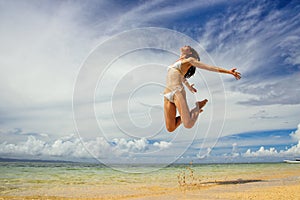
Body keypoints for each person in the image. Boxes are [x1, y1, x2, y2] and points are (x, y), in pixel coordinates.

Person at [164, 45, 241, 132]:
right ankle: (189, 114)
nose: (186, 45)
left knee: (188, 124)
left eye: (188, 47)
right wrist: (189, 87)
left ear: (190, 53)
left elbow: (209, 67)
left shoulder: (190, 60)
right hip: (167, 94)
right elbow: (181, 77)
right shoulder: (176, 63)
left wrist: (229, 72)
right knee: (170, 128)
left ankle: (197, 107)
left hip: (177, 91)